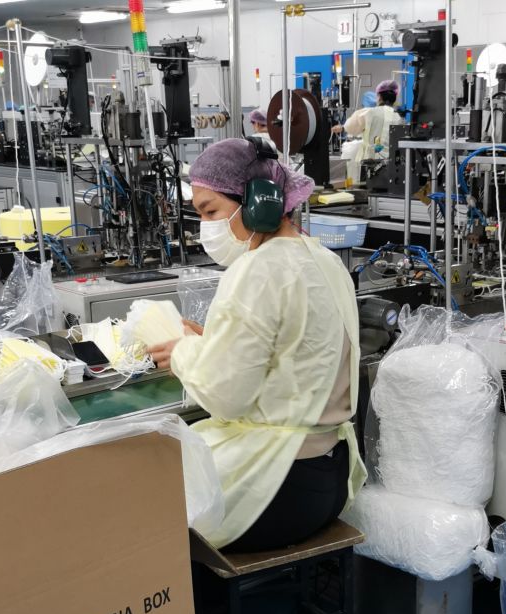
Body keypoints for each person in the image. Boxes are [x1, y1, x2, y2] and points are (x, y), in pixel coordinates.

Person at [148, 137, 366, 551]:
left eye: (211, 211)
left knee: (142, 513)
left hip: (275, 486)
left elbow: (225, 397)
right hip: (329, 478)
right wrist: (216, 344)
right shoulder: (324, 259)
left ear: (257, 203)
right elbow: (294, 355)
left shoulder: (258, 269)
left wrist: (182, 352)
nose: (205, 227)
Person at [331, 79, 404, 184]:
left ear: (379, 97)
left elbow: (352, 127)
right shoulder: (398, 117)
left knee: (366, 186)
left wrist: (342, 128)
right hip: (390, 163)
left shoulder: (369, 113)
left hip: (369, 162)